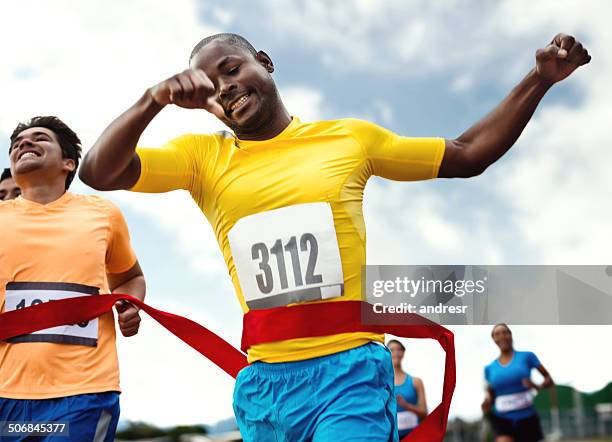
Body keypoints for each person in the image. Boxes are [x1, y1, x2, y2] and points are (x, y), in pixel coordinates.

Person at [79, 32, 589, 441]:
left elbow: (467, 153)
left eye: (232, 70)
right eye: (212, 86)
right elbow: (100, 173)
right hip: (263, 386)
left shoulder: (348, 139)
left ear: (265, 62)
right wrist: (154, 99)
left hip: (350, 374)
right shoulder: (200, 158)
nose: (226, 87)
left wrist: (539, 79)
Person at [0, 116, 146, 442]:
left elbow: (130, 277)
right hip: (5, 394)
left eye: (40, 138)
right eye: (16, 143)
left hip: (85, 391)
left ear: (68, 163)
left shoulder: (103, 213)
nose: (24, 143)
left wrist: (129, 302)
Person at [482, 324, 554, 442]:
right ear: (494, 339)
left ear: (510, 335)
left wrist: (537, 386)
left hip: (527, 417)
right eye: (497, 334)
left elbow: (549, 380)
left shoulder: (527, 357)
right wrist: (487, 401)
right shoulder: (489, 368)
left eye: (505, 332)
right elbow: (490, 392)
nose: (502, 336)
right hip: (502, 419)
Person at [387, 339, 427, 439]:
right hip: (391, 437)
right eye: (392, 350)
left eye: (399, 349)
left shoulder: (416, 381)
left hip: (414, 436)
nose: (395, 353)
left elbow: (424, 412)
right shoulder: (383, 384)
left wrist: (407, 405)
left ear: (403, 353)